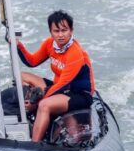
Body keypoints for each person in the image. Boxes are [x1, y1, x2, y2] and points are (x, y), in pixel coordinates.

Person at [16, 10, 95, 143]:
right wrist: (18, 46)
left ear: (71, 31)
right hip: (60, 88)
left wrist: (37, 101)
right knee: (22, 76)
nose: (60, 35)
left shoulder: (75, 53)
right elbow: (32, 61)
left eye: (64, 30)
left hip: (78, 94)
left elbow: (63, 83)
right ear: (51, 32)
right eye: (56, 31)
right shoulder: (49, 44)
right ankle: (28, 109)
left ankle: (34, 144)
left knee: (44, 105)